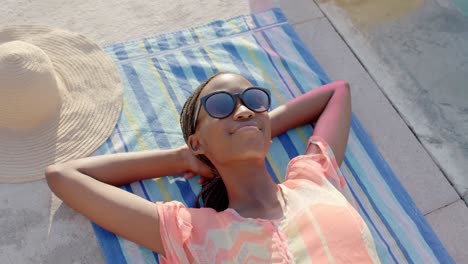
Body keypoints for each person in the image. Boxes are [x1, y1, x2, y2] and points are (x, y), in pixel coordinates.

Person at [46, 72, 380, 263]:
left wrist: (254, 128)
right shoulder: (192, 232)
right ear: (196, 141)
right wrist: (183, 158)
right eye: (222, 105)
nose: (244, 109)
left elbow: (337, 92)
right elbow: (64, 176)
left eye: (254, 101)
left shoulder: (313, 177)